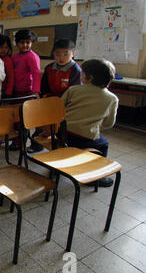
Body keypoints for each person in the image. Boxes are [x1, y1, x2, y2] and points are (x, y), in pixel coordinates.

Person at [59, 59, 119, 187]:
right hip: (85, 139)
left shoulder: (73, 90)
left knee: (66, 142)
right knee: (104, 143)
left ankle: (57, 167)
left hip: (63, 134)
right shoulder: (112, 98)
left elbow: (58, 108)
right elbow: (109, 124)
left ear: (90, 77)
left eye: (83, 73)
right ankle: (95, 177)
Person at [29, 39, 82, 152]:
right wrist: (45, 97)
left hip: (65, 105)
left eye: (65, 54)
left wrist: (59, 101)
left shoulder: (75, 70)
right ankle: (36, 145)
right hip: (49, 101)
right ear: (53, 54)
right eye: (58, 54)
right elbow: (44, 86)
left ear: (73, 54)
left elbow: (73, 90)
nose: (61, 58)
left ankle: (59, 151)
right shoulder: (49, 68)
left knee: (61, 130)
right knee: (41, 124)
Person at [10, 29, 42, 150]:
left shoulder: (32, 56)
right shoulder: (15, 56)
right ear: (17, 43)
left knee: (24, 120)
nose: (25, 45)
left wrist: (35, 91)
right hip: (16, 91)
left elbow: (36, 73)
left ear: (32, 43)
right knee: (16, 120)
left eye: (28, 42)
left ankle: (22, 143)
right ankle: (16, 142)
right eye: (22, 42)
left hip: (27, 93)